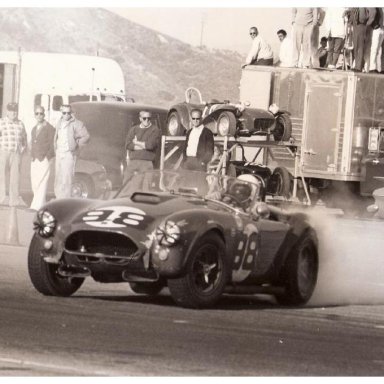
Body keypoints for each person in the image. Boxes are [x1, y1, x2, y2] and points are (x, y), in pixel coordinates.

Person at [54, 104, 90, 199]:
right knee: (58, 178)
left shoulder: (77, 123)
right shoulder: (59, 122)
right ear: (61, 113)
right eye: (64, 113)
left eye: (68, 113)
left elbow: (86, 136)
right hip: (59, 153)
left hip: (68, 154)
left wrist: (76, 144)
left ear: (71, 113)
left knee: (67, 179)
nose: (66, 115)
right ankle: (58, 199)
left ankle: (65, 201)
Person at [0, 102, 27, 207]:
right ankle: (1, 199)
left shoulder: (20, 124)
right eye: (11, 110)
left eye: (15, 110)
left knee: (15, 178)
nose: (13, 113)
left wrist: (22, 149)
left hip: (16, 153)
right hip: (4, 152)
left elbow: (24, 138)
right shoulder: (1, 122)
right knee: (1, 176)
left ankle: (14, 200)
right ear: (7, 111)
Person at [124, 110, 161, 183]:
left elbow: (150, 146)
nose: (147, 120)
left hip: (147, 163)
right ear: (140, 119)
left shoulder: (155, 130)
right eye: (144, 118)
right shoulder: (133, 129)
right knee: (126, 184)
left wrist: (136, 142)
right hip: (133, 162)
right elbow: (128, 145)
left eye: (149, 118)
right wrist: (144, 146)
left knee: (146, 187)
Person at [30, 106, 55, 210]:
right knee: (35, 182)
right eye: (37, 113)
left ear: (44, 115)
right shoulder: (34, 128)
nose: (39, 115)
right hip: (35, 158)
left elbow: (52, 144)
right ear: (34, 115)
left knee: (42, 181)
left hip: (44, 158)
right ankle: (41, 203)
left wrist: (49, 157)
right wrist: (31, 155)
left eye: (41, 113)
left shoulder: (49, 128)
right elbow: (32, 142)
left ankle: (37, 206)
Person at [346, 8, 377, 72]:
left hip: (362, 25)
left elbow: (373, 11)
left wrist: (368, 23)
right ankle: (357, 65)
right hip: (355, 25)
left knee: (360, 47)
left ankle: (358, 67)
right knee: (356, 47)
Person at [367, 8, 384, 73]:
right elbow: (372, 14)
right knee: (374, 47)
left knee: (379, 49)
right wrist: (375, 25)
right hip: (377, 28)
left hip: (382, 29)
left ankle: (379, 67)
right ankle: (372, 67)